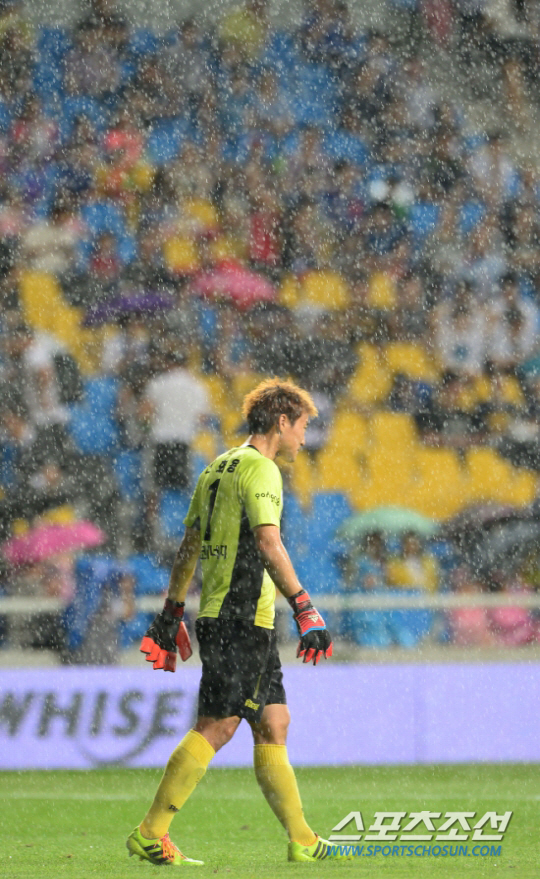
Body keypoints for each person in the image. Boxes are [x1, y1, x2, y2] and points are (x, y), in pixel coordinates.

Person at [126, 378, 349, 866]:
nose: (304, 438)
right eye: (302, 426)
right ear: (282, 422)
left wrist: (172, 610)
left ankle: (302, 840)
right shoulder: (262, 470)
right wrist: (305, 606)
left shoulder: (215, 467)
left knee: (273, 722)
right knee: (218, 725)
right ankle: (150, 832)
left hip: (235, 615)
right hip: (241, 615)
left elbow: (189, 546)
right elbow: (269, 542)